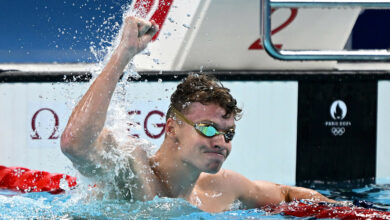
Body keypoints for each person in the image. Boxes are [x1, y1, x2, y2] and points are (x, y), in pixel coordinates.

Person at [60, 16, 335, 213]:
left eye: (228, 133)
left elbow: (287, 194)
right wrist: (123, 54)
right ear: (171, 128)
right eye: (208, 128)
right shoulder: (132, 171)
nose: (221, 142)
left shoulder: (222, 188)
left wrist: (344, 211)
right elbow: (74, 143)